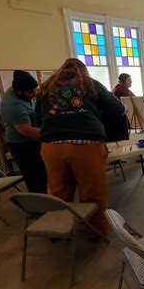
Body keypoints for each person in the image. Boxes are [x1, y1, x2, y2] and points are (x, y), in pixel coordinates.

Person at [36, 58, 126, 235]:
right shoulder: (91, 85)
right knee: (93, 193)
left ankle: (58, 231)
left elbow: (37, 118)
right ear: (83, 71)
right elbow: (119, 109)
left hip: (52, 146)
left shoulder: (46, 87)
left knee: (58, 193)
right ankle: (96, 232)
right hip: (86, 146)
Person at [0, 70, 47, 193]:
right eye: (31, 92)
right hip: (22, 145)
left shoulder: (19, 90)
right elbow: (26, 130)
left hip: (31, 141)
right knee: (35, 177)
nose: (34, 94)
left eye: (35, 89)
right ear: (19, 91)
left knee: (43, 173)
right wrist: (50, 134)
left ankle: (46, 200)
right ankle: (39, 208)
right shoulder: (14, 105)